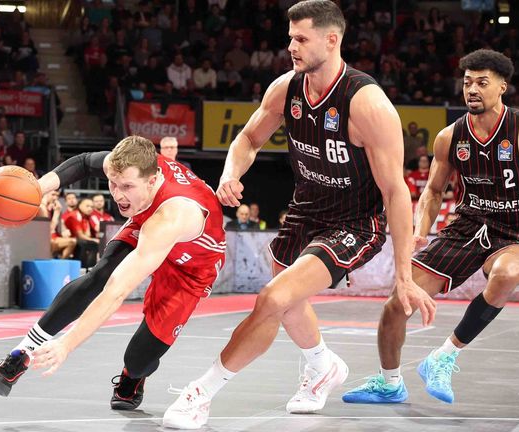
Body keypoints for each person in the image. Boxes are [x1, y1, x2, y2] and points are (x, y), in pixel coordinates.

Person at [163, 2, 435, 428]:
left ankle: (202, 392)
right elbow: (249, 139)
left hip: (354, 223)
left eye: (301, 38)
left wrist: (402, 275)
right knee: (290, 303)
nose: (291, 46)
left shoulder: (367, 104)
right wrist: (231, 173)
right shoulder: (285, 88)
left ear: (332, 40)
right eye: (290, 37)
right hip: (304, 212)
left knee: (273, 297)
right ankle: (322, 364)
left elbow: (396, 192)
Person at [342, 49, 519, 405]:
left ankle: (444, 356)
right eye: (467, 82)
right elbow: (434, 190)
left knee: (505, 274)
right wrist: (422, 227)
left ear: (503, 87)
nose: (472, 89)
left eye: (482, 82)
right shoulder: (450, 136)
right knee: (396, 304)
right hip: (466, 228)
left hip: (516, 235)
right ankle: (389, 383)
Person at [0, 136, 225, 413]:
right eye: (113, 184)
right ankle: (21, 353)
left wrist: (67, 344)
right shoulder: (131, 163)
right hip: (147, 224)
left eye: (127, 187)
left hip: (190, 266)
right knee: (99, 275)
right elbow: (84, 162)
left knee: (138, 359)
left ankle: (133, 376)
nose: (118, 195)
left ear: (152, 179)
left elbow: (117, 292)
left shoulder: (172, 216)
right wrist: (36, 188)